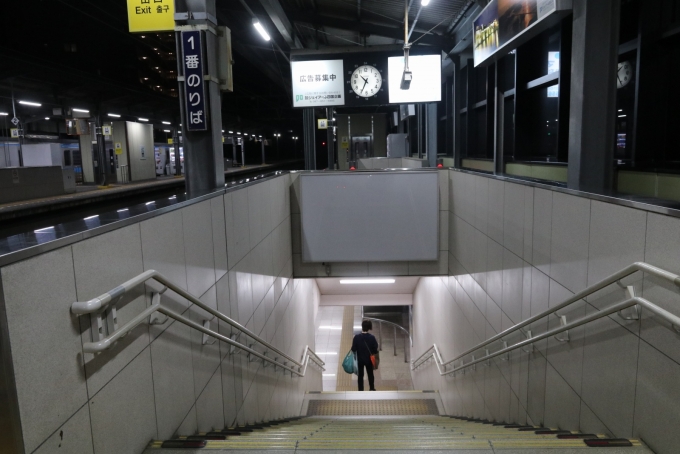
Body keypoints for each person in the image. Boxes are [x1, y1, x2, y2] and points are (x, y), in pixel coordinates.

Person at [352, 320, 379, 391]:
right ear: (369, 327)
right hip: (369, 360)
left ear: (362, 327)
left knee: (360, 376)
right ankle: (372, 388)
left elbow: (353, 349)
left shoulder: (356, 337)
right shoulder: (372, 337)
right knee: (370, 374)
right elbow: (375, 349)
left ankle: (360, 390)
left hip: (360, 360)